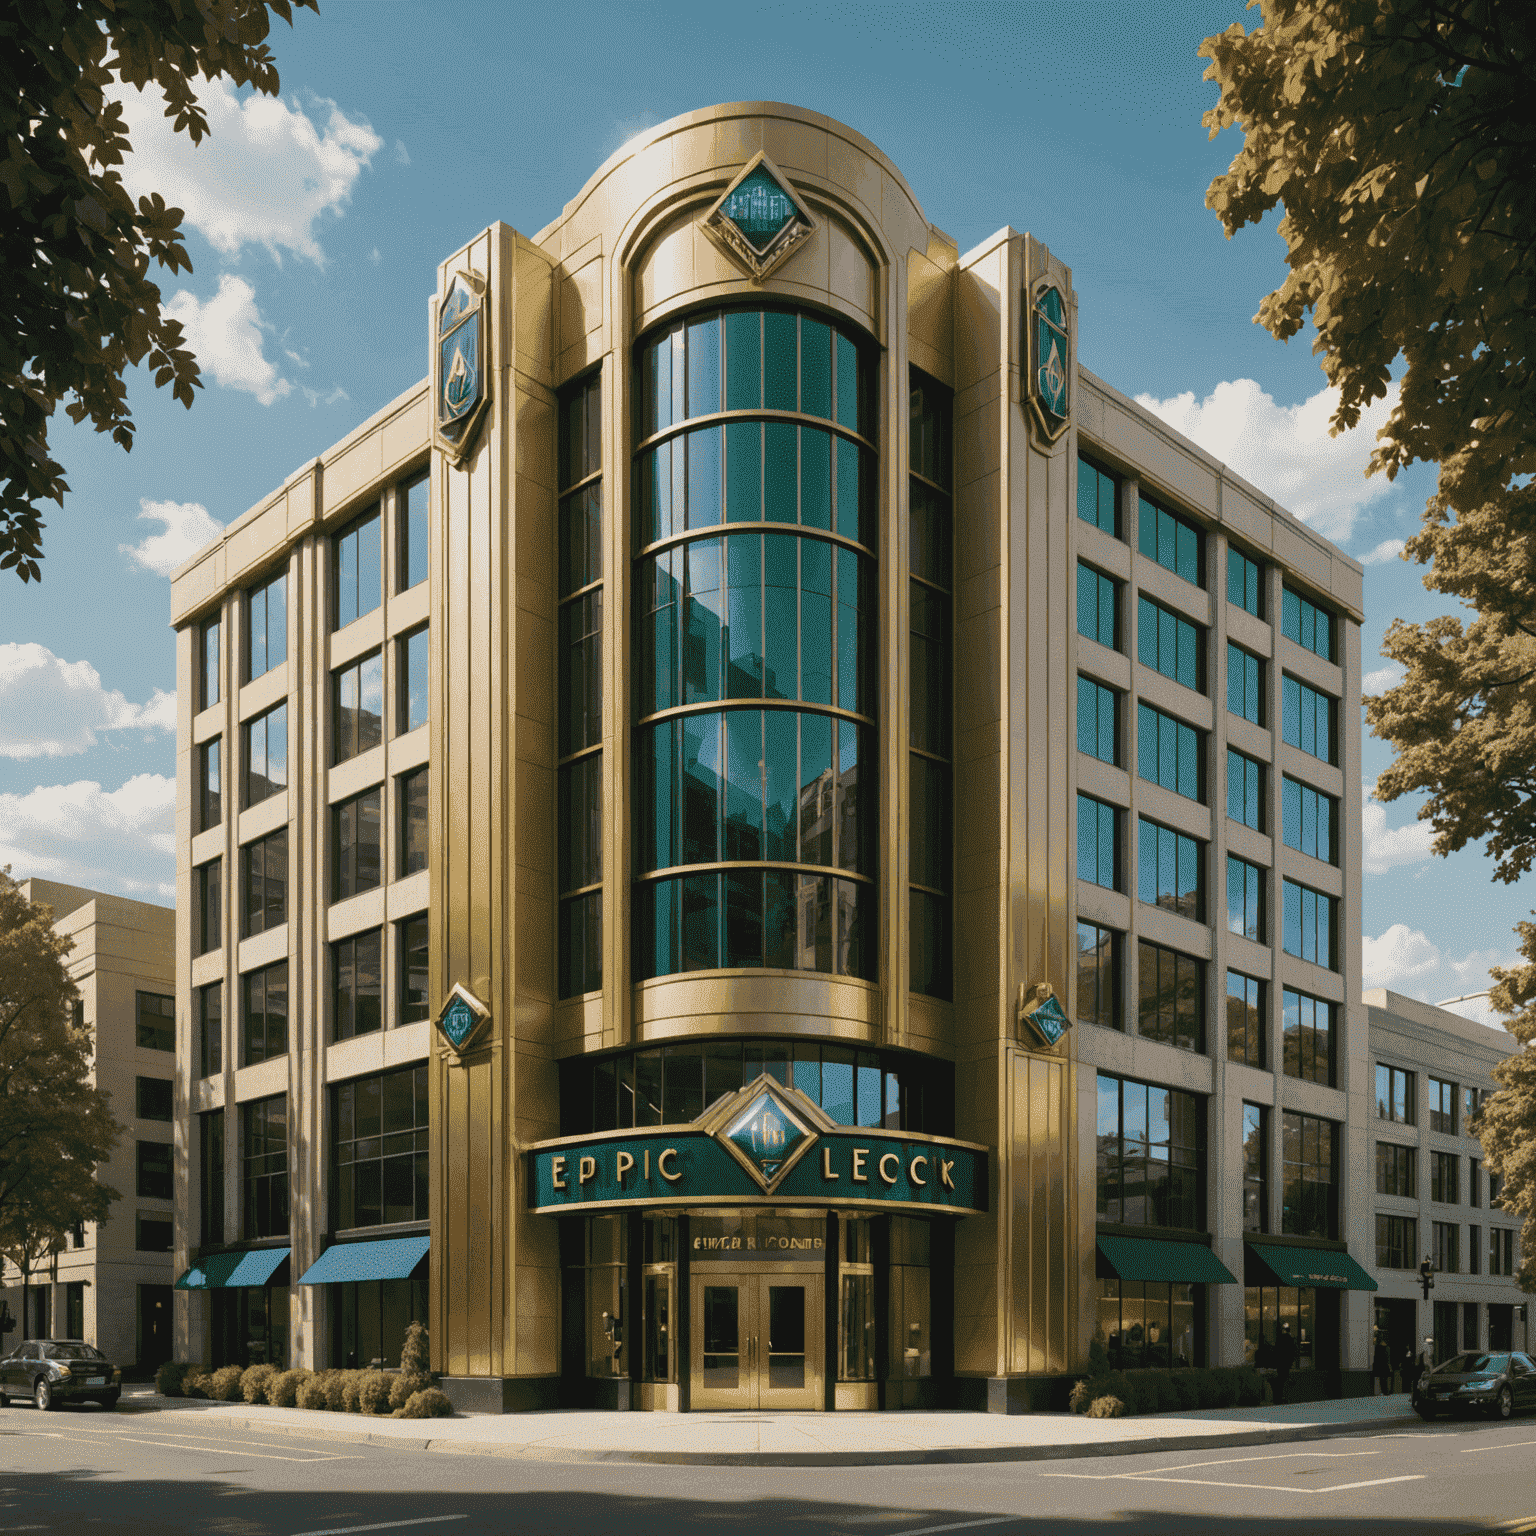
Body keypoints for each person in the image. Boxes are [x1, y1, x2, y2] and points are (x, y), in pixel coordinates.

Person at [1275, 1322, 1298, 1403]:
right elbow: (1293, 1350)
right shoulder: (1290, 1338)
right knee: (1284, 1377)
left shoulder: (1280, 1338)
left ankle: (1280, 1395)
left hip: (1281, 1361)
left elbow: (1277, 1350)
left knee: (1281, 1378)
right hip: (1286, 1361)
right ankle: (1283, 1395)